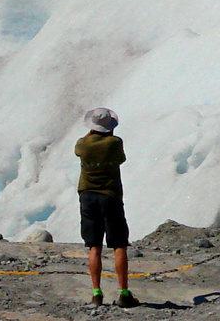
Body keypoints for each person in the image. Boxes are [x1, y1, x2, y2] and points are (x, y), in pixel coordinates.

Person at [76, 107, 136, 307]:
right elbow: (120, 160)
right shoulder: (114, 143)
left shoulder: (83, 145)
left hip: (88, 196)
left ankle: (96, 293)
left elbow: (80, 147)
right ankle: (124, 293)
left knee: (94, 246)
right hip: (110, 196)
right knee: (119, 245)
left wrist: (91, 132)